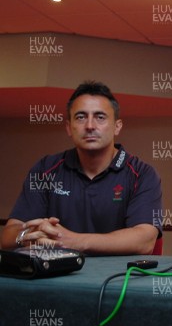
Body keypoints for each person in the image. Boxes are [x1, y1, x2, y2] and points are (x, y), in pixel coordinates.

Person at [1, 81, 162, 255]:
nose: (90, 126)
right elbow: (8, 236)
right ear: (69, 127)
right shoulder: (45, 169)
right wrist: (30, 235)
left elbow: (145, 241)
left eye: (100, 117)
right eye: (80, 117)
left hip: (119, 278)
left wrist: (73, 241)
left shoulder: (143, 174)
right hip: (56, 277)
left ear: (117, 127)